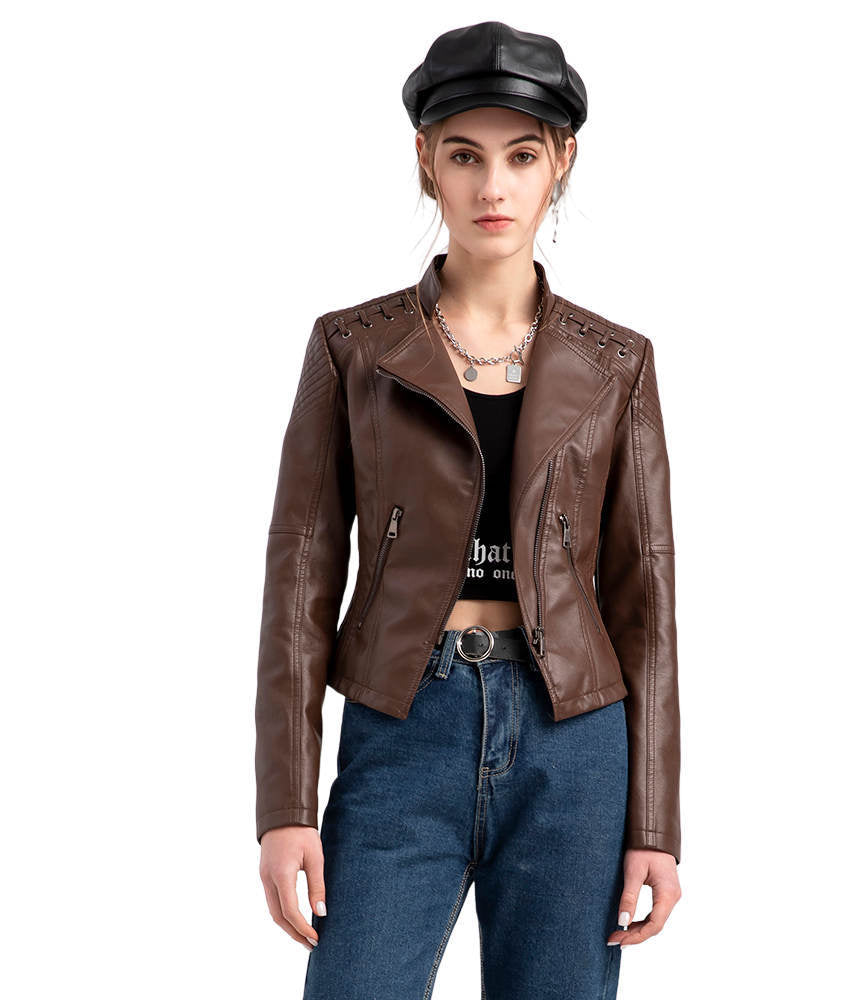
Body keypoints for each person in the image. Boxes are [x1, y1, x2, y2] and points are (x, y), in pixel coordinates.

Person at [255, 21, 682, 999]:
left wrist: (653, 824)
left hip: (573, 740)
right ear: (426, 162)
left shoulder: (617, 364)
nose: (494, 186)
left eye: (521, 156)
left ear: (561, 163)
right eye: (465, 156)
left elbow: (645, 599)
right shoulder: (354, 350)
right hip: (404, 727)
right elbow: (299, 579)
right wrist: (285, 805)